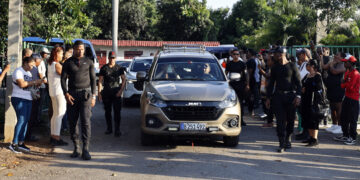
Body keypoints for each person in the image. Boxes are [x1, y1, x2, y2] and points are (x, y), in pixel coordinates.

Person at [61, 40, 96, 160]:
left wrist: (94, 96)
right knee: (73, 122)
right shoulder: (68, 62)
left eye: (82, 49)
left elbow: (93, 80)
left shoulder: (89, 61)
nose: (80, 51)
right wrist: (65, 93)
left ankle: (86, 148)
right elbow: (63, 79)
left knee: (86, 122)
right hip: (72, 95)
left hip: (85, 95)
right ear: (74, 49)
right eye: (77, 49)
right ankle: (76, 147)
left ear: (84, 49)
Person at [266, 47, 302, 153]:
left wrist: (298, 96)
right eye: (275, 54)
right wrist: (268, 97)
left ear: (283, 54)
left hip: (290, 96)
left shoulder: (292, 66)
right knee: (280, 121)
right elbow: (271, 83)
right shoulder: (275, 67)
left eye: (277, 53)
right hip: (278, 96)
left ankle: (288, 139)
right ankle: (281, 143)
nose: (275, 56)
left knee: (290, 120)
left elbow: (299, 83)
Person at [8, 57, 44, 153]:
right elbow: (22, 84)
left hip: (28, 98)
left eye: (33, 65)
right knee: (21, 120)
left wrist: (38, 84)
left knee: (26, 121)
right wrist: (35, 81)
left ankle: (21, 142)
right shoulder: (18, 71)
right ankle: (14, 143)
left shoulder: (28, 73)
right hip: (19, 98)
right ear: (25, 63)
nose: (32, 67)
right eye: (31, 65)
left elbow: (29, 84)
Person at [98, 51, 126, 137]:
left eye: (113, 58)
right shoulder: (104, 68)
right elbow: (100, 81)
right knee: (107, 112)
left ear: (115, 58)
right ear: (108, 58)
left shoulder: (119, 68)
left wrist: (121, 91)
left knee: (117, 112)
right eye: (110, 57)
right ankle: (109, 128)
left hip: (116, 92)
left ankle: (117, 130)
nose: (112, 59)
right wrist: (99, 93)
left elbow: (124, 80)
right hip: (106, 92)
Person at [333, 55, 360, 145]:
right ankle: (346, 134)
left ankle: (352, 137)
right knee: (344, 117)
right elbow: (343, 85)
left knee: (352, 119)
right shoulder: (348, 73)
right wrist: (345, 83)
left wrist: (345, 83)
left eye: (346, 62)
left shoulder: (355, 73)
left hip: (353, 99)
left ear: (351, 63)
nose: (344, 64)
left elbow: (350, 87)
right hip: (347, 97)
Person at [48, 47, 68, 146]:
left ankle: (53, 136)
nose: (62, 55)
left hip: (53, 91)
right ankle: (57, 137)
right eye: (61, 54)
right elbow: (66, 75)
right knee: (60, 114)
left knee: (55, 114)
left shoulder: (50, 63)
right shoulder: (57, 65)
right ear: (56, 54)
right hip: (59, 92)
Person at [301, 60, 323, 146]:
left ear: (313, 66)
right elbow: (302, 83)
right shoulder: (307, 75)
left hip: (314, 101)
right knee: (307, 118)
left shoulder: (318, 76)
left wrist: (308, 89)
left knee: (313, 120)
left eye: (308, 65)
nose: (307, 66)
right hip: (306, 100)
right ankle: (310, 137)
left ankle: (314, 139)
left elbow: (319, 88)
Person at [323, 52, 346, 134]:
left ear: (342, 57)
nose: (335, 56)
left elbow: (334, 72)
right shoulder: (332, 62)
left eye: (337, 55)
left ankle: (340, 126)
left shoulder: (343, 64)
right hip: (331, 88)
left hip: (338, 88)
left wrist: (331, 64)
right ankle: (334, 125)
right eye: (336, 55)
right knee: (332, 107)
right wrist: (321, 57)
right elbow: (324, 67)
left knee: (338, 106)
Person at [226, 49, 250, 126]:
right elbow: (226, 74)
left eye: (237, 54)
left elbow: (246, 74)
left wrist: (247, 84)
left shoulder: (242, 64)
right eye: (234, 54)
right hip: (231, 85)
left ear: (239, 55)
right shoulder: (229, 64)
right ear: (232, 55)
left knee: (240, 102)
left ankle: (241, 120)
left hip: (240, 85)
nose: (236, 56)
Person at [258, 50, 275, 127]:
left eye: (268, 60)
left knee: (270, 106)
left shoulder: (273, 68)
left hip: (273, 90)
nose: (267, 62)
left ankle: (270, 122)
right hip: (268, 89)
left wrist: (260, 70)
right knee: (269, 106)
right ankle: (269, 121)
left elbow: (267, 76)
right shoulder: (270, 67)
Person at [246, 49, 261, 116]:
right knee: (251, 96)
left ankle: (251, 111)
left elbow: (250, 73)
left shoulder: (251, 61)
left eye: (248, 52)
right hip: (255, 80)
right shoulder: (255, 60)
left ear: (251, 53)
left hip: (252, 81)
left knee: (251, 96)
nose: (246, 54)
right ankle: (251, 110)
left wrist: (248, 82)